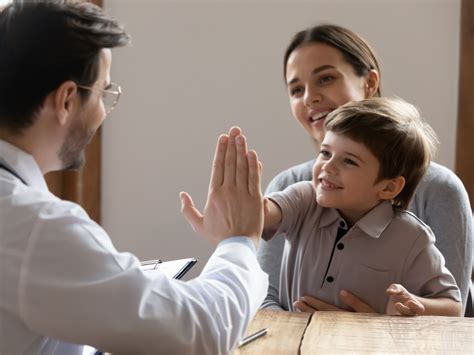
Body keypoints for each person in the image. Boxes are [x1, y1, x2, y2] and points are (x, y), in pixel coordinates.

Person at [0, 1, 268, 354]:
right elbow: (202, 329)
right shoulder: (34, 228)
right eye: (104, 92)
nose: (104, 111)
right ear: (66, 100)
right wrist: (238, 242)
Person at [258, 24, 473, 314]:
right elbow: (263, 298)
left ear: (370, 82)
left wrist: (365, 328)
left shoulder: (440, 191)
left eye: (325, 79)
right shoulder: (290, 187)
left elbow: (449, 314)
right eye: (296, 89)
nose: (309, 97)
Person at [262, 96, 461, 316]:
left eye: (349, 161)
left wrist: (412, 305)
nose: (328, 166)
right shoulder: (305, 199)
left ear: (389, 188)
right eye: (325, 153)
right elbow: (262, 215)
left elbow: (453, 307)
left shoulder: (411, 238)